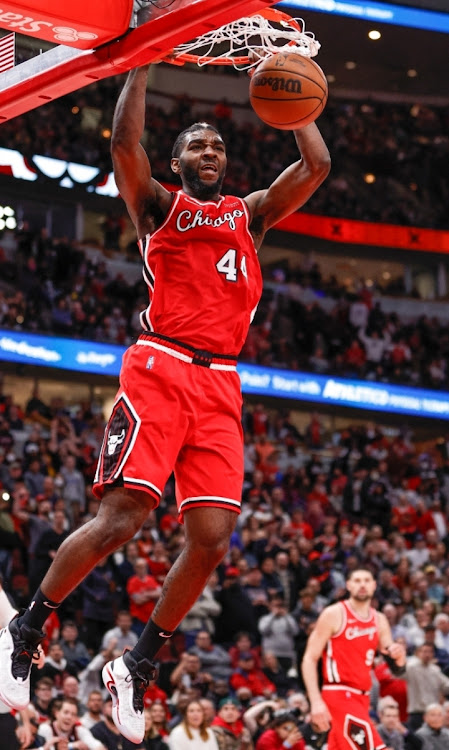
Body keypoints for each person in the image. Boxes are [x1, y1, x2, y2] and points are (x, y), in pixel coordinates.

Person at [0, 62, 330, 746]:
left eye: (219, 146)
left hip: (221, 383)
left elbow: (318, 164)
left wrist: (298, 91)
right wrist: (141, 62)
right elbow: (124, 146)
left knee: (210, 543)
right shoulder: (158, 205)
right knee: (122, 519)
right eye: (198, 146)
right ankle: (30, 623)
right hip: (160, 365)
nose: (211, 153)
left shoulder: (251, 213)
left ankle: (137, 662)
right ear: (177, 161)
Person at [301, 567, 406, 750]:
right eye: (357, 581)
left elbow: (397, 667)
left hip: (363, 698)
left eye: (367, 580)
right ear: (348, 585)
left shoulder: (379, 619)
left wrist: (400, 655)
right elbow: (309, 659)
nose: (362, 585)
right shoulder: (333, 614)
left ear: (374, 586)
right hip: (339, 694)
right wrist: (316, 701)